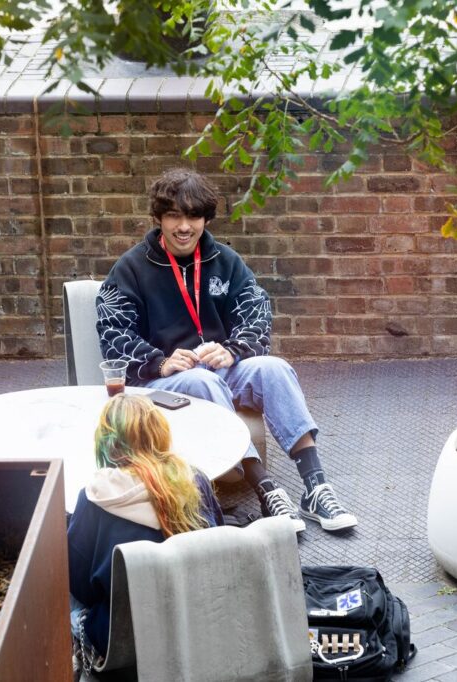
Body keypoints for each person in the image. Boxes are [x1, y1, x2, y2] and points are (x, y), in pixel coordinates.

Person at [95, 167, 357, 534]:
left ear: (205, 219)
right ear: (158, 218)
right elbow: (112, 332)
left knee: (274, 368)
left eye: (193, 216)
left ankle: (315, 488)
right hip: (165, 385)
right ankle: (266, 490)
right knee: (202, 381)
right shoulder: (131, 268)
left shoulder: (225, 260)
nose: (184, 226)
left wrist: (234, 350)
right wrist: (161, 361)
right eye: (174, 216)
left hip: (220, 368)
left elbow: (257, 313)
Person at [68, 393, 224, 664]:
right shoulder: (195, 480)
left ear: (109, 442)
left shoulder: (94, 497)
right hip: (198, 623)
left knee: (61, 588)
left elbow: (79, 585)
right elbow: (219, 547)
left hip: (123, 641)